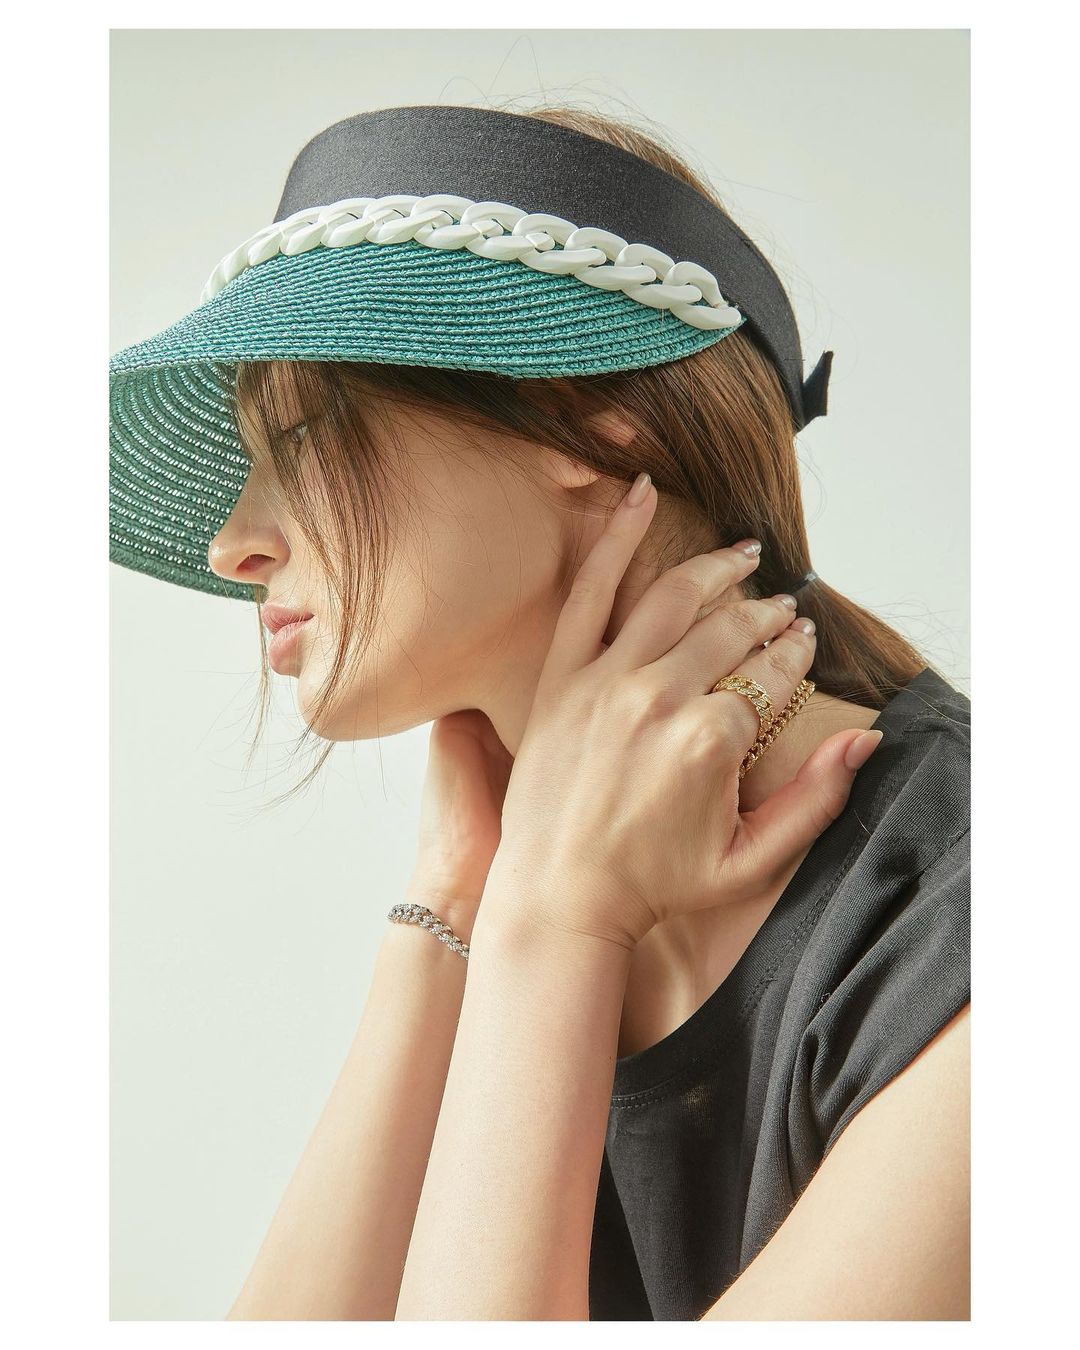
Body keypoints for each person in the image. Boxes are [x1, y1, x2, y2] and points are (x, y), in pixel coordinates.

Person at [111, 102, 970, 1320]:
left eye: (300, 436)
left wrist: (556, 924)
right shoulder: (504, 892)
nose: (232, 545)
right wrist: (457, 905)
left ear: (581, 411)